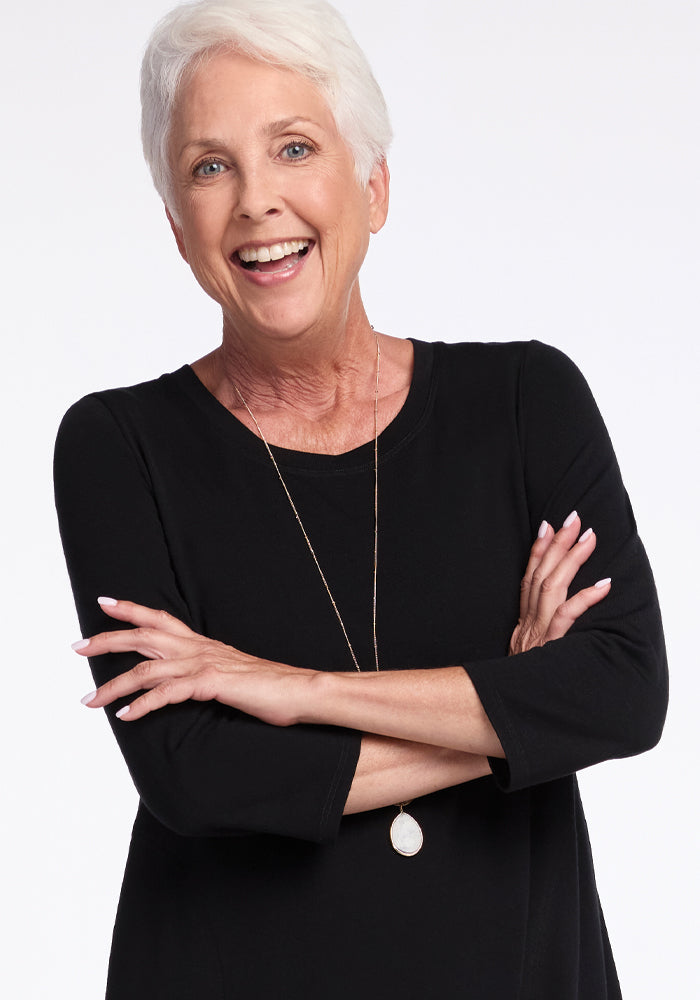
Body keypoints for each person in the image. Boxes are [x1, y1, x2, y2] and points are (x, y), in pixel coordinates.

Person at [54, 1, 667, 996]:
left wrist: (286, 689)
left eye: (293, 147)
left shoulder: (525, 402)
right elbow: (195, 776)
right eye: (211, 166)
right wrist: (509, 708)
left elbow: (622, 691)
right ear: (177, 227)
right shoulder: (119, 446)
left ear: (373, 186)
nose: (255, 200)